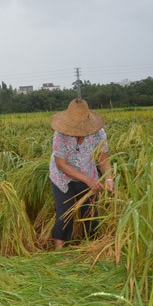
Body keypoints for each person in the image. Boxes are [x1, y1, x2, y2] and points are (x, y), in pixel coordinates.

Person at [49, 98, 114, 249]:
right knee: (65, 214)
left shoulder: (98, 134)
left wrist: (109, 179)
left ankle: (91, 248)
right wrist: (87, 180)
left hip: (88, 174)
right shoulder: (60, 135)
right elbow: (61, 164)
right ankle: (58, 253)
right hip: (62, 178)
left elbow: (103, 159)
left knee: (91, 213)